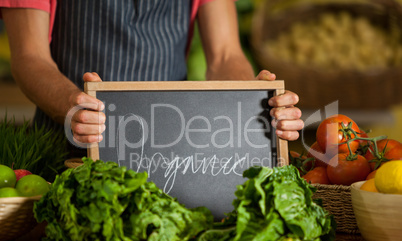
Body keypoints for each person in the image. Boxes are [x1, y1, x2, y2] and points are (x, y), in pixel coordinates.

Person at [0, 0, 304, 154]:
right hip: (65, 153)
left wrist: (253, 100)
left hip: (171, 153)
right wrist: (71, 105)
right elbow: (29, 57)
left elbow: (225, 54)